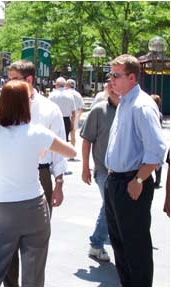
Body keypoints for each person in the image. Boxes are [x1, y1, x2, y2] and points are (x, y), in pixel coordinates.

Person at [0, 80, 76, 286]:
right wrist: (44, 149)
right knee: (34, 274)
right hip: (34, 207)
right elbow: (71, 151)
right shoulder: (37, 133)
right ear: (25, 104)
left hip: (3, 207)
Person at [104, 54, 167, 286]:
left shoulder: (141, 105)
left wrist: (138, 181)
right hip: (116, 181)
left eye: (115, 75)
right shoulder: (125, 101)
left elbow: (158, 150)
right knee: (120, 244)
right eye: (110, 74)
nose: (111, 80)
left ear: (132, 77)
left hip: (131, 182)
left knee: (135, 247)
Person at [4, 60, 67, 286]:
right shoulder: (3, 105)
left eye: (13, 78)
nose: (8, 82)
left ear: (28, 80)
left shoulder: (50, 109)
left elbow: (61, 150)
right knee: (7, 242)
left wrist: (59, 184)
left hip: (40, 176)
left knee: (36, 242)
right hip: (8, 175)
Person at [80, 79, 120, 262]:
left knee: (113, 207)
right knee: (110, 204)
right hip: (103, 169)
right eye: (110, 86)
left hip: (126, 170)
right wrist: (85, 167)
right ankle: (96, 244)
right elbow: (87, 140)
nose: (114, 89)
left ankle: (109, 237)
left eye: (116, 86)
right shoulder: (98, 111)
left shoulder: (131, 109)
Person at [48, 77, 76, 142]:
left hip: (54, 119)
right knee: (64, 140)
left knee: (53, 141)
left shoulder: (52, 95)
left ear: (56, 85)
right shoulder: (70, 95)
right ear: (65, 84)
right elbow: (73, 113)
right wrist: (72, 123)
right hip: (66, 120)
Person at [65, 79, 84, 150]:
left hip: (65, 115)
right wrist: (78, 118)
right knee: (73, 135)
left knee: (63, 134)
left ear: (67, 85)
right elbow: (81, 108)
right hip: (75, 115)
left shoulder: (65, 93)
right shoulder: (78, 94)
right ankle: (72, 151)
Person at [151, 94, 163, 188]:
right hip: (158, 138)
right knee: (157, 161)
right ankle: (157, 180)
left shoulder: (155, 114)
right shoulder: (160, 114)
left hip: (153, 138)